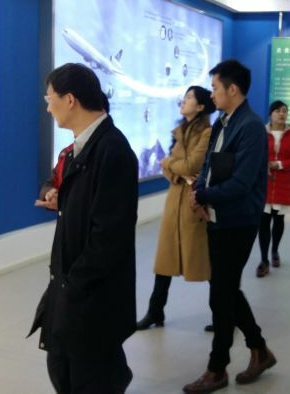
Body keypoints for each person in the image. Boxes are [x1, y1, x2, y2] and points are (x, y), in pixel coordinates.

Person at [28, 63, 139, 394]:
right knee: (64, 367)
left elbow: (109, 237)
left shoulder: (112, 151)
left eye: (49, 98)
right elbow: (74, 194)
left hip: (90, 296)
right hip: (73, 289)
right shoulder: (81, 148)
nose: (48, 108)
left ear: (70, 99)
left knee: (89, 376)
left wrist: (72, 285)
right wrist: (58, 195)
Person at [183, 60, 276, 393]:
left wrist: (203, 195)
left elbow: (242, 183)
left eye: (215, 88)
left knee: (221, 295)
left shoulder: (250, 127)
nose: (212, 94)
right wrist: (198, 192)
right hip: (217, 216)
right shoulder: (224, 122)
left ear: (232, 89)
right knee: (224, 289)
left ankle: (217, 368)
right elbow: (210, 164)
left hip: (238, 220)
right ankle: (259, 349)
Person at [136, 86, 216, 330]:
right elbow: (171, 170)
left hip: (195, 202)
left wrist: (170, 163)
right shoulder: (179, 131)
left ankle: (224, 313)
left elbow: (192, 165)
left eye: (190, 97)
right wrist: (175, 168)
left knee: (208, 263)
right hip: (174, 202)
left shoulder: (208, 133)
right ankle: (155, 312)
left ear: (201, 106)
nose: (184, 100)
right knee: (165, 261)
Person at [256, 100, 290, 277]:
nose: (281, 114)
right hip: (264, 183)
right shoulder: (261, 132)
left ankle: (274, 250)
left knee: (279, 220)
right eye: (277, 111)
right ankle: (264, 260)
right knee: (263, 222)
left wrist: (280, 164)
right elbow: (254, 154)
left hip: (283, 184)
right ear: (270, 114)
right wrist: (264, 165)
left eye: (284, 111)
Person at [35, 143, 74, 211]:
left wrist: (64, 202)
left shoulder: (93, 151)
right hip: (65, 216)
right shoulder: (66, 152)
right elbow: (51, 182)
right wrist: (50, 193)